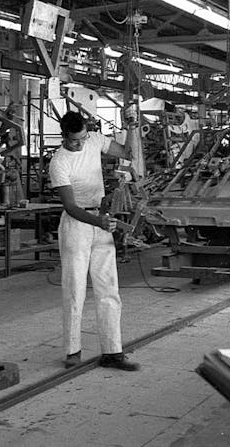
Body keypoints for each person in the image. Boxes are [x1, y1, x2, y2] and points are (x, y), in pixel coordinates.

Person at [48, 110, 140, 371]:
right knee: (74, 288)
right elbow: (70, 206)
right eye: (74, 140)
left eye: (83, 138)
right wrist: (98, 222)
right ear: (64, 137)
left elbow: (128, 153)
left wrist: (131, 127)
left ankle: (113, 351)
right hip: (77, 224)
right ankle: (72, 350)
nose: (80, 144)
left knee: (108, 287)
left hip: (101, 217)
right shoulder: (59, 162)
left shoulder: (95, 140)